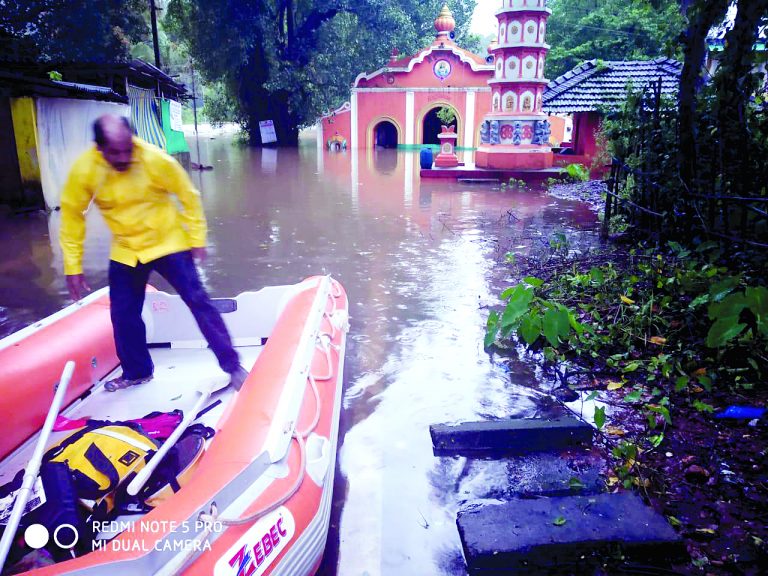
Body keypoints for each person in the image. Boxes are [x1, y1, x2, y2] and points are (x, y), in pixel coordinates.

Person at [59, 114, 247, 391]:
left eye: (128, 149)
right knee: (123, 314)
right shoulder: (85, 170)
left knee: (198, 300)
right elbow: (73, 217)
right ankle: (137, 372)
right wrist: (72, 267)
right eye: (115, 152)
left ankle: (232, 365)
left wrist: (197, 238)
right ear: (99, 149)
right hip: (126, 249)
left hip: (167, 242)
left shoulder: (156, 160)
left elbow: (188, 196)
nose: (124, 157)